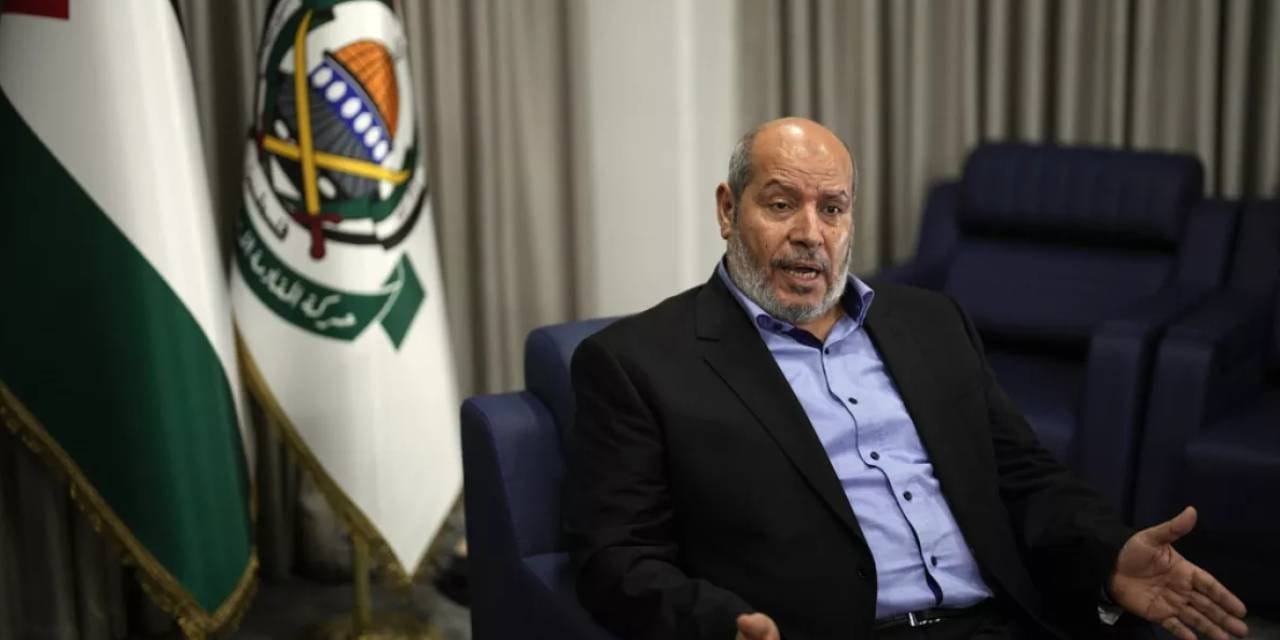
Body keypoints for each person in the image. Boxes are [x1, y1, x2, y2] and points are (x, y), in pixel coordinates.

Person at [562, 118, 1249, 640]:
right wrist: (720, 625)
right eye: (781, 204)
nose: (811, 233)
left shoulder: (931, 321)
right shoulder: (637, 362)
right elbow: (618, 558)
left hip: (1002, 620)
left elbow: (1024, 477)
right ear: (726, 209)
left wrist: (1109, 552)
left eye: (833, 208)